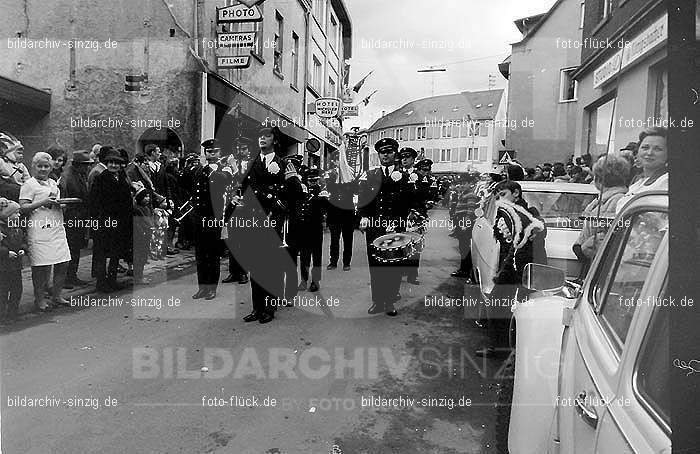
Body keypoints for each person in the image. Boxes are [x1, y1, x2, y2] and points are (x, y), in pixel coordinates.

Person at [233, 126, 303, 324]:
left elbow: (297, 193)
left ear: (275, 140)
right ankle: (257, 308)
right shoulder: (252, 164)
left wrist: (279, 203)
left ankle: (268, 309)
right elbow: (243, 190)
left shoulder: (284, 163)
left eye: (267, 136)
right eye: (260, 136)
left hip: (274, 219)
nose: (262, 139)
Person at [478, 180, 544, 357]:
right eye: (498, 195)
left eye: (503, 194)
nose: (500, 198)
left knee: (517, 308)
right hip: (512, 265)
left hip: (524, 267)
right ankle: (503, 348)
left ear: (516, 193)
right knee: (501, 304)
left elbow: (534, 231)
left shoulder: (527, 212)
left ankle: (511, 350)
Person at [358, 138, 418, 317]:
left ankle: (390, 301)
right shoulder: (370, 175)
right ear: (378, 155)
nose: (385, 154)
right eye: (382, 152)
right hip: (375, 227)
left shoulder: (406, 177)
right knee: (376, 264)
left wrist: (410, 216)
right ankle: (377, 301)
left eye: (389, 151)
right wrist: (363, 217)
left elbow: (411, 202)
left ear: (395, 154)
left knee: (393, 265)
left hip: (395, 228)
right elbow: (364, 200)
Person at [19, 152, 72, 311]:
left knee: (63, 262)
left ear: (51, 168)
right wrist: (43, 202)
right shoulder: (29, 184)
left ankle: (57, 295)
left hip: (56, 228)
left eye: (46, 166)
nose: (43, 169)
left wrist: (62, 205)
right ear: (33, 167)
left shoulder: (53, 183)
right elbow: (23, 207)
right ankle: (40, 299)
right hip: (39, 230)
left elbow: (57, 202)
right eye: (40, 166)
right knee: (40, 267)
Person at [573, 154, 630, 276]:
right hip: (593, 262)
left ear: (599, 179)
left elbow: (603, 237)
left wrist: (583, 248)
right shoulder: (602, 200)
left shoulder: (616, 201)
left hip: (601, 268)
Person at [190, 139, 231, 300]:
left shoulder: (224, 169)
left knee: (213, 254)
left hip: (214, 217)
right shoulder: (199, 169)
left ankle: (212, 288)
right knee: (200, 254)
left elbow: (223, 181)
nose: (211, 154)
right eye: (208, 152)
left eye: (214, 151)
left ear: (220, 153)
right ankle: (202, 287)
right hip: (199, 216)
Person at [89, 147, 133, 293]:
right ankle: (101, 283)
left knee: (115, 253)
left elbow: (126, 201)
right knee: (102, 254)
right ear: (106, 163)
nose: (114, 165)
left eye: (116, 163)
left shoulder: (122, 178)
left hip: (121, 223)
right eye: (111, 163)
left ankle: (112, 280)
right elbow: (94, 203)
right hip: (105, 223)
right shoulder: (101, 179)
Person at [58, 150, 94, 288]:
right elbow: (64, 198)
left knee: (76, 248)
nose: (87, 168)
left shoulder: (79, 174)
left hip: (80, 217)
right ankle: (67, 278)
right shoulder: (67, 177)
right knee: (71, 248)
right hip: (71, 218)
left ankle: (72, 276)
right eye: (85, 165)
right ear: (77, 164)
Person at [616, 127, 668, 213]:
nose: (649, 153)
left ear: (668, 154)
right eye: (645, 147)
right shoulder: (637, 182)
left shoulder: (666, 181)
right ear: (638, 151)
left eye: (657, 149)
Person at [295, 167, 326, 292]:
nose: (313, 183)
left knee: (317, 256)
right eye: (310, 181)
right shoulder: (302, 192)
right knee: (304, 256)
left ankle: (315, 281)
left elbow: (324, 208)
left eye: (315, 180)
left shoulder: (322, 192)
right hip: (304, 229)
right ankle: (303, 280)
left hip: (316, 228)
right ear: (306, 181)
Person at [325, 151, 356, 271]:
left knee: (348, 239)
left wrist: (347, 176)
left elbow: (354, 189)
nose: (337, 162)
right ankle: (333, 262)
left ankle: (346, 262)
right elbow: (329, 188)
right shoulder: (331, 174)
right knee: (334, 239)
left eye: (339, 159)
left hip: (347, 212)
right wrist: (335, 176)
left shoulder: (350, 173)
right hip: (334, 212)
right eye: (335, 160)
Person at [0, 198, 26, 323]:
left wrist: (22, 249)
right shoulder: (1, 229)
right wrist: (5, 253)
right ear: (7, 215)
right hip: (3, 266)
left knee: (17, 289)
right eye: (16, 213)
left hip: (15, 265)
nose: (19, 215)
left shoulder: (17, 228)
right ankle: (2, 314)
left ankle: (13, 313)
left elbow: (22, 241)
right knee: (3, 291)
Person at [132, 186, 154, 285]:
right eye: (145, 197)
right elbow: (138, 224)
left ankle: (140, 276)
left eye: (148, 197)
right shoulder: (137, 210)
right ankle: (138, 278)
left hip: (147, 235)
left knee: (143, 257)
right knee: (139, 257)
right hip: (140, 236)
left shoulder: (147, 209)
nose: (147, 199)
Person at [0, 133, 30, 201]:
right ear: (10, 153)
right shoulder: (1, 162)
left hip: (22, 190)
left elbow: (27, 179)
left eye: (22, 153)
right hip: (7, 191)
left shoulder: (21, 166)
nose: (21, 155)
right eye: (19, 153)